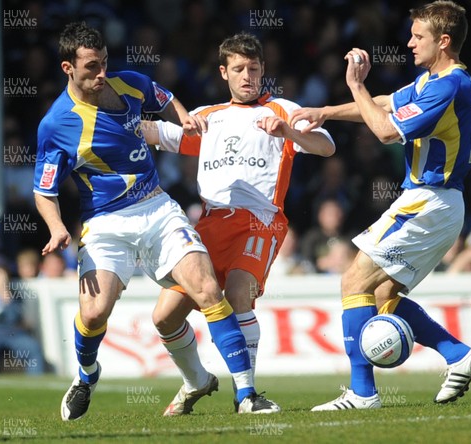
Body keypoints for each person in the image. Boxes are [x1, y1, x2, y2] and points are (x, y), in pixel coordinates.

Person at [34, 22, 273, 421]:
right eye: (91, 67)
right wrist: (57, 227)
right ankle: (87, 376)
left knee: (207, 288)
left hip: (157, 207)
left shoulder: (129, 83)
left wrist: (183, 116)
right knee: (93, 314)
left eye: (104, 63)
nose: (101, 73)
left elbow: (163, 96)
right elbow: (45, 190)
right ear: (67, 68)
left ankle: (246, 395)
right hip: (106, 222)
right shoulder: (56, 125)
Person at [290, 0, 471, 410]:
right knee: (381, 294)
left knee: (352, 282)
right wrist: (327, 111)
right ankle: (458, 356)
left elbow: (383, 130)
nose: (410, 43)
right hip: (439, 204)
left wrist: (354, 86)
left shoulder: (449, 86)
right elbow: (384, 104)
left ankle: (362, 393)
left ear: (444, 41)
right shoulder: (432, 82)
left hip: (429, 201)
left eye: (419, 37)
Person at [143, 32, 335, 415]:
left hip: (260, 220)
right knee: (164, 317)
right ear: (223, 72)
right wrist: (112, 121)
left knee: (237, 293)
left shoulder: (281, 109)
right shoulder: (208, 117)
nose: (247, 76)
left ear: (263, 69)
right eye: (238, 69)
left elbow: (327, 145)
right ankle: (196, 380)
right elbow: (160, 134)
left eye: (253, 68)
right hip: (210, 225)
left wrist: (290, 133)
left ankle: (246, 395)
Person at [0, 258, 45, 375]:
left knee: (33, 347)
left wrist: (7, 299)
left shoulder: (16, 294)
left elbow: (15, 318)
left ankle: (35, 382)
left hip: (14, 333)